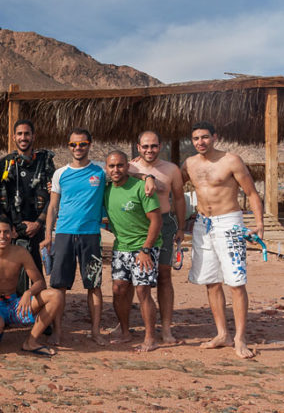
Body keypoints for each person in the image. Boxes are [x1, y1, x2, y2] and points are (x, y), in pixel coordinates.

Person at [182, 121, 262, 359]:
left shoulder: (231, 160)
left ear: (215, 137)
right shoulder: (189, 163)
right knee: (211, 282)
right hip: (203, 225)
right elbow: (170, 180)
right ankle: (222, 334)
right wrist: (143, 172)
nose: (200, 142)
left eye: (205, 137)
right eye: (196, 139)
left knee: (236, 283)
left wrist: (259, 224)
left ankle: (240, 338)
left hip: (229, 223)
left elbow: (251, 193)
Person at [40, 128, 108, 346]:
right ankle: (58, 332)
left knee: (94, 285)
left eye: (83, 144)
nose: (78, 148)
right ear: (68, 146)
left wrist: (148, 176)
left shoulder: (101, 171)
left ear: (90, 144)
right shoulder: (60, 173)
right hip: (64, 235)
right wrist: (48, 235)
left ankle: (96, 332)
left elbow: (128, 169)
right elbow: (52, 207)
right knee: (59, 286)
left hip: (90, 236)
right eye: (73, 144)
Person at [0, 216, 63, 357]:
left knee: (56, 295)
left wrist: (28, 293)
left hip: (13, 303)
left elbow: (40, 282)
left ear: (13, 232)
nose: (2, 236)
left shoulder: (21, 253)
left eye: (6, 232)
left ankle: (31, 341)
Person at [127, 131, 187, 343]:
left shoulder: (171, 169)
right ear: (138, 147)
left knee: (164, 276)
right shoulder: (130, 167)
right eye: (145, 146)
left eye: (153, 146)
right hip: (137, 226)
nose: (149, 150)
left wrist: (181, 227)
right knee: (130, 279)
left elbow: (179, 198)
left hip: (165, 224)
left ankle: (167, 328)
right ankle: (125, 325)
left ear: (160, 146)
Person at [104, 151, 162, 352]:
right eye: (111, 166)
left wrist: (146, 249)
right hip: (121, 247)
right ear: (106, 168)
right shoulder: (106, 190)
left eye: (120, 165)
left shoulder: (141, 188)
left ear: (127, 166)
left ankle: (150, 337)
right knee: (119, 289)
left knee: (142, 290)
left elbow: (156, 220)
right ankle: (125, 332)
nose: (116, 170)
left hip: (144, 246)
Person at [0, 119, 55, 281]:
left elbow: (55, 197)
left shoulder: (45, 163)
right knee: (9, 274)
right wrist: (9, 227)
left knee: (35, 274)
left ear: (33, 136)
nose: (23, 137)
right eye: (19, 134)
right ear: (13, 137)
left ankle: (36, 304)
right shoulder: (3, 164)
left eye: (27, 134)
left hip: (36, 229)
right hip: (11, 231)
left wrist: (38, 223)